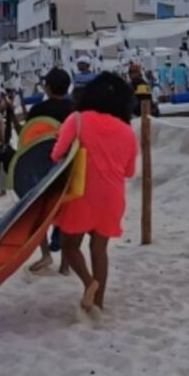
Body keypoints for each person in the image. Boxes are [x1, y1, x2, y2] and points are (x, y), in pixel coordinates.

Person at [52, 73, 138, 313]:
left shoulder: (77, 120)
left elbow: (57, 155)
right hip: (111, 196)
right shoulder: (126, 131)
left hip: (81, 193)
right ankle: (98, 303)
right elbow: (130, 172)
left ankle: (90, 283)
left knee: (70, 246)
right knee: (99, 250)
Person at [24, 68, 75, 275]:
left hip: (41, 167)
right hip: (69, 165)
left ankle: (46, 254)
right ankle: (65, 264)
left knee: (40, 213)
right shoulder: (75, 109)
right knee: (67, 214)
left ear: (48, 87)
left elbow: (28, 141)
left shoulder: (37, 110)